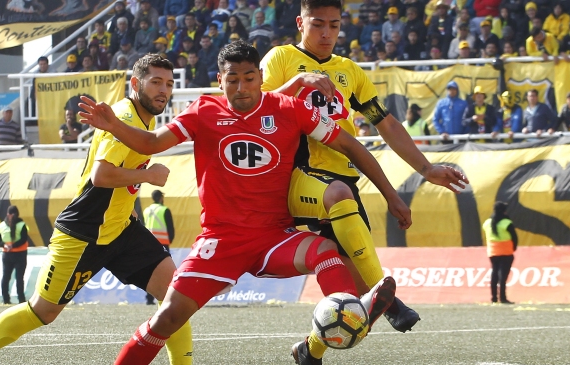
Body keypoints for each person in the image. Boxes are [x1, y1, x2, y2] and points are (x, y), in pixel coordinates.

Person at [78, 40, 400, 365]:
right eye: (232, 79)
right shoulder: (203, 111)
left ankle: (347, 311)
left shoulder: (289, 109)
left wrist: (392, 196)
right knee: (167, 319)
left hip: (274, 237)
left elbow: (350, 145)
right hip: (221, 240)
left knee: (325, 252)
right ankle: (347, 315)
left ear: (261, 77)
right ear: (220, 81)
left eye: (248, 78)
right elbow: (150, 143)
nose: (241, 87)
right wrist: (116, 126)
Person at [259, 1, 469, 363]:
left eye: (335, 26)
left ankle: (309, 351)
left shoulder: (350, 72)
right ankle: (393, 304)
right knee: (368, 294)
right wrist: (298, 82)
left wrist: (426, 168)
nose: (326, 33)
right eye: (317, 24)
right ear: (300, 23)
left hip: (344, 179)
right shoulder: (279, 58)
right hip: (299, 177)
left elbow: (384, 122)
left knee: (357, 310)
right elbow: (253, 108)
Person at [0, 54, 194, 365]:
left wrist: (128, 205)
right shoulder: (127, 118)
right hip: (83, 233)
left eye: (169, 84)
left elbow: (118, 173)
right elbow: (101, 176)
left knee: (176, 298)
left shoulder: (145, 118)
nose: (164, 90)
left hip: (119, 229)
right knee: (43, 311)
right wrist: (149, 175)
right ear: (135, 83)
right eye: (156, 82)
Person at [143, 190, 175, 305]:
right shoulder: (164, 210)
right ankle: (166, 296)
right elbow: (170, 228)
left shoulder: (146, 210)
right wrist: (169, 240)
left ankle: (149, 298)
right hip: (162, 243)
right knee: (165, 271)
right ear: (161, 198)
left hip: (148, 243)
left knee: (149, 271)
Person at [482, 201, 517, 304]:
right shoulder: (506, 223)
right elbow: (514, 237)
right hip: (506, 251)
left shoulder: (487, 223)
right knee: (503, 275)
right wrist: (514, 247)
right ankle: (503, 297)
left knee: (494, 273)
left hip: (492, 251)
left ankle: (493, 297)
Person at [0, 205, 29, 305]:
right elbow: (24, 239)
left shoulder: (1, 225)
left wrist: (6, 245)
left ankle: (6, 299)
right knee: (19, 278)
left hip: (7, 254)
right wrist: (13, 246)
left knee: (6, 277)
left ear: (7, 214)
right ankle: (21, 300)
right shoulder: (22, 225)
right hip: (20, 254)